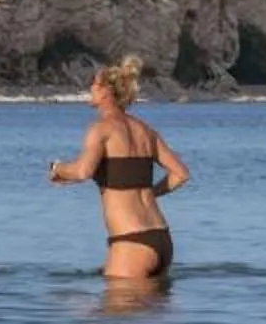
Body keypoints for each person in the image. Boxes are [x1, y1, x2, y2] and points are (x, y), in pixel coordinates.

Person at [46, 56, 189, 280]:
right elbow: (180, 174)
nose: (90, 89)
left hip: (131, 241)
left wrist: (58, 169)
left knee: (108, 303)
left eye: (94, 84)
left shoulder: (101, 128)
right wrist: (150, 193)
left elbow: (83, 171)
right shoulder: (145, 131)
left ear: (106, 92)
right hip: (162, 238)